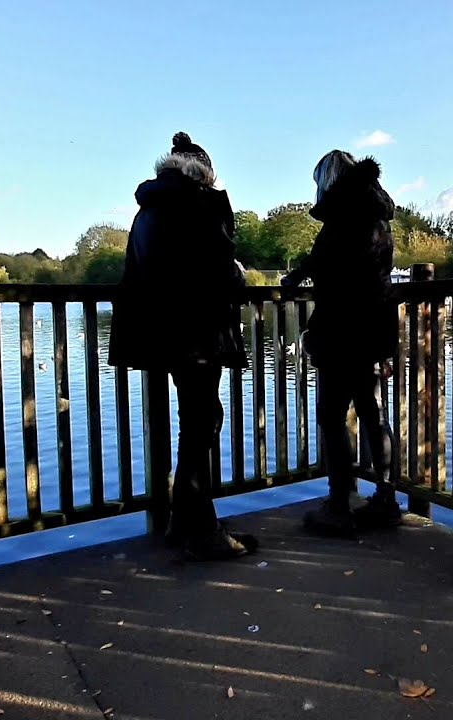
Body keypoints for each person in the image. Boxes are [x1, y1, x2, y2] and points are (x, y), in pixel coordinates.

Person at [108, 132, 257, 560]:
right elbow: (221, 272)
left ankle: (182, 521)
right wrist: (238, 272)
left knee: (194, 424)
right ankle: (203, 531)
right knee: (203, 424)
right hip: (197, 332)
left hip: (158, 332)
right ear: (204, 174)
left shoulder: (149, 209)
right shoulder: (200, 204)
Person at [282, 150, 401, 534]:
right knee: (373, 413)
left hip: (342, 329)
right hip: (375, 326)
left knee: (331, 416)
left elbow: (329, 265)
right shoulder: (374, 214)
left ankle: (339, 504)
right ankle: (386, 499)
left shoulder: (343, 215)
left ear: (327, 182)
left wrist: (296, 279)